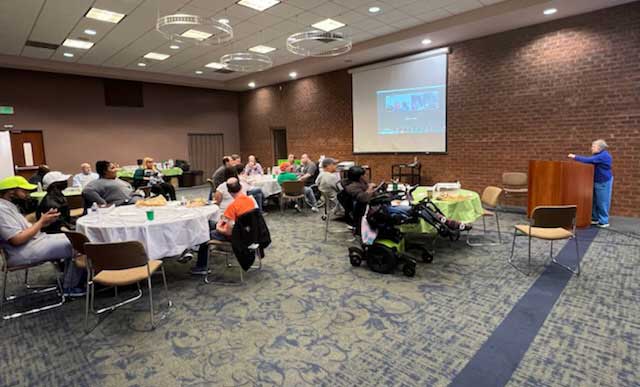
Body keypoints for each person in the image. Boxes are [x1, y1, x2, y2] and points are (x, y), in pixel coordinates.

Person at [0, 176, 85, 296]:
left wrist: (45, 221)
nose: (28, 194)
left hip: (33, 242)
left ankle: (70, 279)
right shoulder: (2, 211)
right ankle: (71, 287)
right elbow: (17, 239)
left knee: (77, 237)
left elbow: (23, 229)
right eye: (24, 191)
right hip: (23, 251)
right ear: (11, 192)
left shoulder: (8, 207)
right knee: (78, 244)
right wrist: (41, 222)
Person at [191, 177, 258, 275]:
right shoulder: (250, 201)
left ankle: (201, 266)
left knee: (204, 235)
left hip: (236, 237)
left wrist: (219, 228)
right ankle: (196, 249)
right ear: (240, 187)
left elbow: (228, 232)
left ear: (229, 191)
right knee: (209, 224)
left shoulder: (232, 207)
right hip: (249, 234)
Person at [568, 139, 613, 227]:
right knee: (595, 200)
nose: (591, 148)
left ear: (599, 148)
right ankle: (595, 218)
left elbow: (588, 160)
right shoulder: (598, 155)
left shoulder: (603, 156)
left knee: (602, 201)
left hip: (603, 181)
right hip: (596, 181)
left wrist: (574, 156)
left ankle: (604, 221)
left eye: (593, 146)